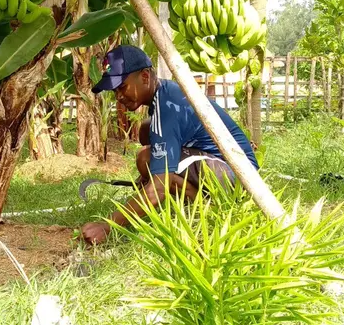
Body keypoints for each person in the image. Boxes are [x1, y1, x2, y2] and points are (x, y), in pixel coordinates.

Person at [80, 45, 259, 245]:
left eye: (122, 87)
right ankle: (207, 205)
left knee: (149, 162)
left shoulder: (167, 108)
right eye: (115, 91)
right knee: (147, 138)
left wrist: (108, 226)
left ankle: (214, 209)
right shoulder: (165, 94)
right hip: (231, 169)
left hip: (238, 175)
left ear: (145, 77)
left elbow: (158, 189)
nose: (119, 97)